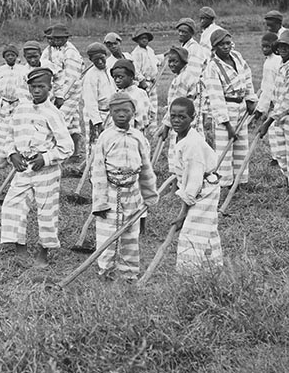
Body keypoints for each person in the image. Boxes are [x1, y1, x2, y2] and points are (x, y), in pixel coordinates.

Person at [0, 68, 74, 267]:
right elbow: (8, 136)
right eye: (33, 87)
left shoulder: (53, 113)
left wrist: (47, 158)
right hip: (24, 168)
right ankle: (19, 249)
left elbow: (67, 147)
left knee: (46, 211)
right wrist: (12, 154)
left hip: (46, 171)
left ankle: (43, 252)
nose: (37, 91)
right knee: (12, 205)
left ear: (50, 88)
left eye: (41, 87)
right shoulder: (20, 109)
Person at [90, 92, 158, 281]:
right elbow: (98, 173)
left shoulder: (138, 138)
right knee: (107, 236)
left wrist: (150, 194)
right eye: (117, 111)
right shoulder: (105, 138)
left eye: (126, 110)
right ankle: (106, 271)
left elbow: (146, 168)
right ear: (110, 113)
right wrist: (100, 203)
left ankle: (129, 273)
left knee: (130, 235)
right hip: (111, 193)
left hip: (133, 193)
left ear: (133, 112)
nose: (122, 114)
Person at [167, 97, 222, 271]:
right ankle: (211, 269)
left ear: (193, 118)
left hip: (203, 189)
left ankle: (189, 274)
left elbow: (194, 182)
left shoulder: (192, 144)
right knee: (206, 228)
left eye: (182, 117)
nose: (176, 120)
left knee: (192, 230)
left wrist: (183, 213)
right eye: (173, 116)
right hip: (201, 185)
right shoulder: (181, 137)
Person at [256, 31, 289, 190]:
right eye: (281, 46)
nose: (284, 49)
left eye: (287, 47)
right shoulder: (282, 65)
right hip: (279, 116)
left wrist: (268, 121)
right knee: (281, 153)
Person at [203, 29, 257, 187]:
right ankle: (225, 184)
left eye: (228, 43)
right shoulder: (212, 67)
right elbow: (215, 97)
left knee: (241, 145)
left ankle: (240, 181)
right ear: (215, 47)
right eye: (221, 45)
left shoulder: (237, 56)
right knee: (225, 148)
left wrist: (250, 98)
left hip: (241, 107)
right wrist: (227, 125)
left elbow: (247, 77)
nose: (226, 47)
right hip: (226, 108)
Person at [155, 46, 205, 173]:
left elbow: (176, 104)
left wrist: (166, 126)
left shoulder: (183, 79)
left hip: (182, 121)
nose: (171, 64)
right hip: (187, 120)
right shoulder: (183, 76)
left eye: (175, 61)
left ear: (184, 62)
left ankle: (178, 183)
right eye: (170, 61)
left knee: (180, 150)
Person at [40, 23, 84, 160]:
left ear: (66, 38)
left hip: (70, 91)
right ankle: (74, 153)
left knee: (59, 120)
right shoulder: (48, 50)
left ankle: (60, 153)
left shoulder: (70, 52)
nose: (55, 41)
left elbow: (72, 77)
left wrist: (62, 96)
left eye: (59, 38)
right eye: (52, 39)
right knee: (74, 122)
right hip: (55, 89)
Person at [0, 43, 29, 130]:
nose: (10, 57)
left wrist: (24, 102)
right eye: (7, 55)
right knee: (3, 128)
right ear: (4, 57)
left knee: (18, 127)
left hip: (19, 103)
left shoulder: (23, 69)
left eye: (12, 55)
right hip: (4, 104)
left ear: (16, 56)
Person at [254, 33, 282, 165]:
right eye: (263, 46)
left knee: (275, 129)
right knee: (273, 130)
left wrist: (260, 108)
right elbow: (265, 85)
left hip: (276, 100)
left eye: (267, 46)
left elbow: (269, 87)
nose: (264, 49)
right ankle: (276, 156)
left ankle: (278, 157)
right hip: (274, 99)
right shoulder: (270, 60)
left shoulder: (273, 62)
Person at [81, 43, 115, 140]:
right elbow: (90, 103)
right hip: (96, 115)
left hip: (110, 113)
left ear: (106, 56)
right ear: (91, 60)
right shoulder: (91, 76)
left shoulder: (110, 70)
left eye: (101, 58)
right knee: (95, 144)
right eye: (96, 60)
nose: (100, 62)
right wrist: (98, 123)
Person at [109, 59, 151, 133]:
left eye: (121, 77)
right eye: (115, 77)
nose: (117, 80)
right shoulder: (117, 94)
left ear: (131, 76)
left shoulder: (139, 94)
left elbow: (142, 120)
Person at [131, 28, 161, 128]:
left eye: (146, 38)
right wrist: (142, 80)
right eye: (142, 38)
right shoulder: (136, 53)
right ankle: (144, 127)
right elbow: (135, 69)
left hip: (152, 82)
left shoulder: (150, 50)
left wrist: (165, 55)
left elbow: (155, 61)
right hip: (144, 83)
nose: (144, 40)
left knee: (154, 107)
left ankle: (153, 128)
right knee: (145, 107)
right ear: (137, 40)